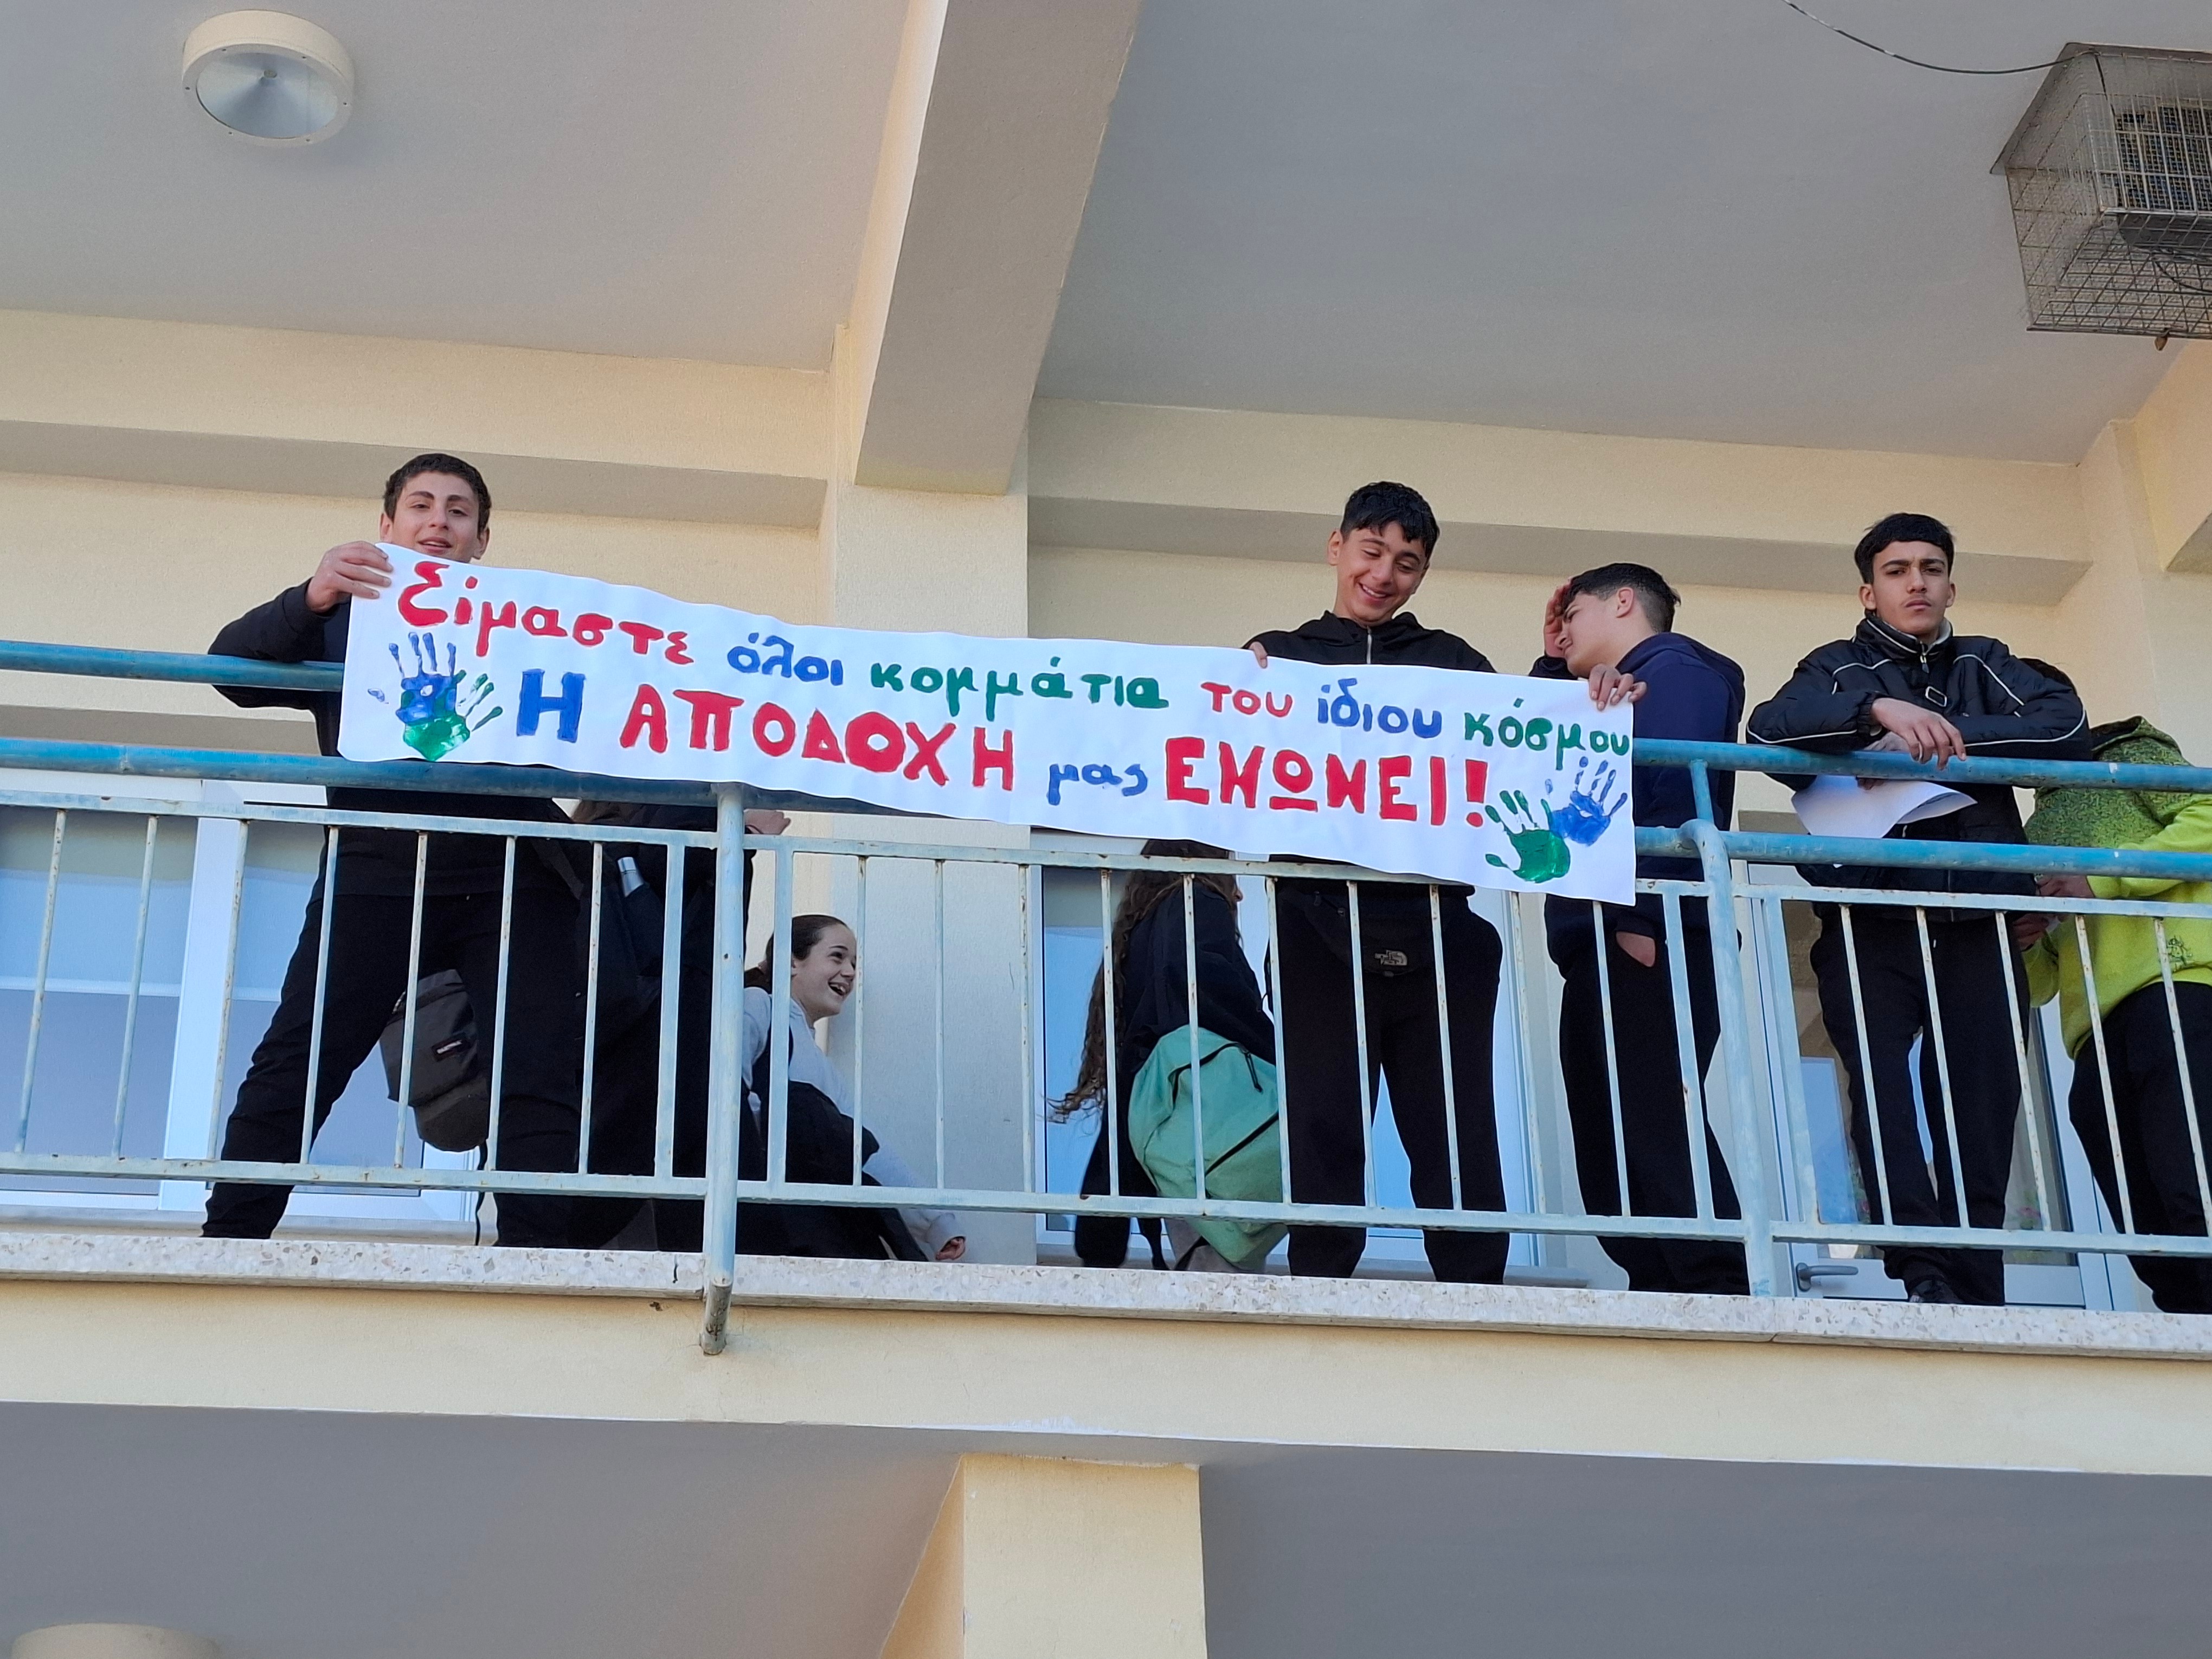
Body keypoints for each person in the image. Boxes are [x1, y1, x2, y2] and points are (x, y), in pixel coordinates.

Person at [200, 455, 586, 1246]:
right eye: (421, 505)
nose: (439, 521)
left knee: (537, 1064)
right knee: (304, 1052)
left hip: (510, 870)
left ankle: (539, 1258)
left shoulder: (525, 628)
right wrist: (313, 596)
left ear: (482, 540)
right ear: (387, 527)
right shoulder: (346, 619)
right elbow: (231, 672)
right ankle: (229, 1240)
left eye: (458, 511)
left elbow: (622, 704)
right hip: (378, 870)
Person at [1746, 512, 2090, 1303]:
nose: (1917, 583)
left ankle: (1978, 1281)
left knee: (1983, 1104)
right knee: (1882, 1098)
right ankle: (1922, 1270)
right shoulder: (1836, 667)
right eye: (1898, 571)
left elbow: (2065, 729)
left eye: (1932, 569)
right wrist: (1877, 713)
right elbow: (1768, 732)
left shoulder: (1986, 661)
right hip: (1870, 919)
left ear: (1951, 586)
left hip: (1981, 921)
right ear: (1869, 592)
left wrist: (1929, 741)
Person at [1244, 481, 1513, 1281]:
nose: (1385, 575)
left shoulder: (1454, 663)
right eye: (1372, 552)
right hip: (1315, 920)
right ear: (1337, 547)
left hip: (1438, 922)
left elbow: (1529, 739)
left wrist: (1591, 694)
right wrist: (1234, 691)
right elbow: (1222, 757)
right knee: (1322, 1117)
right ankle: (1321, 1288)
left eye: (1407, 563)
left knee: (1455, 1124)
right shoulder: (1277, 656)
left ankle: (1478, 1292)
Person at [1533, 564, 1751, 1294]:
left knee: (1650, 1115)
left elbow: (1671, 794)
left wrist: (1638, 919)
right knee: (1608, 1127)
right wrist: (1552, 664)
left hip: (1650, 932)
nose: (1565, 630)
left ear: (1623, 602)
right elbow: (1541, 755)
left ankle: (1714, 1283)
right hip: (1604, 939)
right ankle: (1662, 1281)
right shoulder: (1614, 690)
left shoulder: (1674, 669)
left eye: (1575, 614)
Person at [2019, 716, 2212, 1314]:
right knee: (2143, 1219)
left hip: (2176, 983)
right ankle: (2188, 1328)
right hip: (2092, 1029)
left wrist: (2103, 878)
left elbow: (2209, 817)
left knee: (2193, 1182)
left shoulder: (2130, 754)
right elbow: (2042, 984)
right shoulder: (2029, 828)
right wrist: (2026, 942)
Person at [568, 799, 789, 1253]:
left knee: (663, 1152)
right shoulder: (679, 794)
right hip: (673, 1004)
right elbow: (665, 857)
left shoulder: (610, 823)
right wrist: (746, 836)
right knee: (686, 1153)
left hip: (651, 1004)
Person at [1058, 840, 1278, 1272]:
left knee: (1204, 1263)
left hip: (1164, 1125)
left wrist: (1100, 1239)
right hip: (1202, 1118)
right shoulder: (1198, 903)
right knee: (1222, 1275)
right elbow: (1213, 988)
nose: (1238, 893)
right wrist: (1274, 1060)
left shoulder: (1141, 929)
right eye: (1231, 875)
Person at [742, 915, 964, 1261]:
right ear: (791, 961)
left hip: (803, 1223)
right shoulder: (757, 1004)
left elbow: (867, 1150)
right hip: (760, 1213)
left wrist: (937, 1223)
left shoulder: (820, 1066)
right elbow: (727, 1093)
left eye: (854, 964)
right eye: (837, 957)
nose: (849, 972)